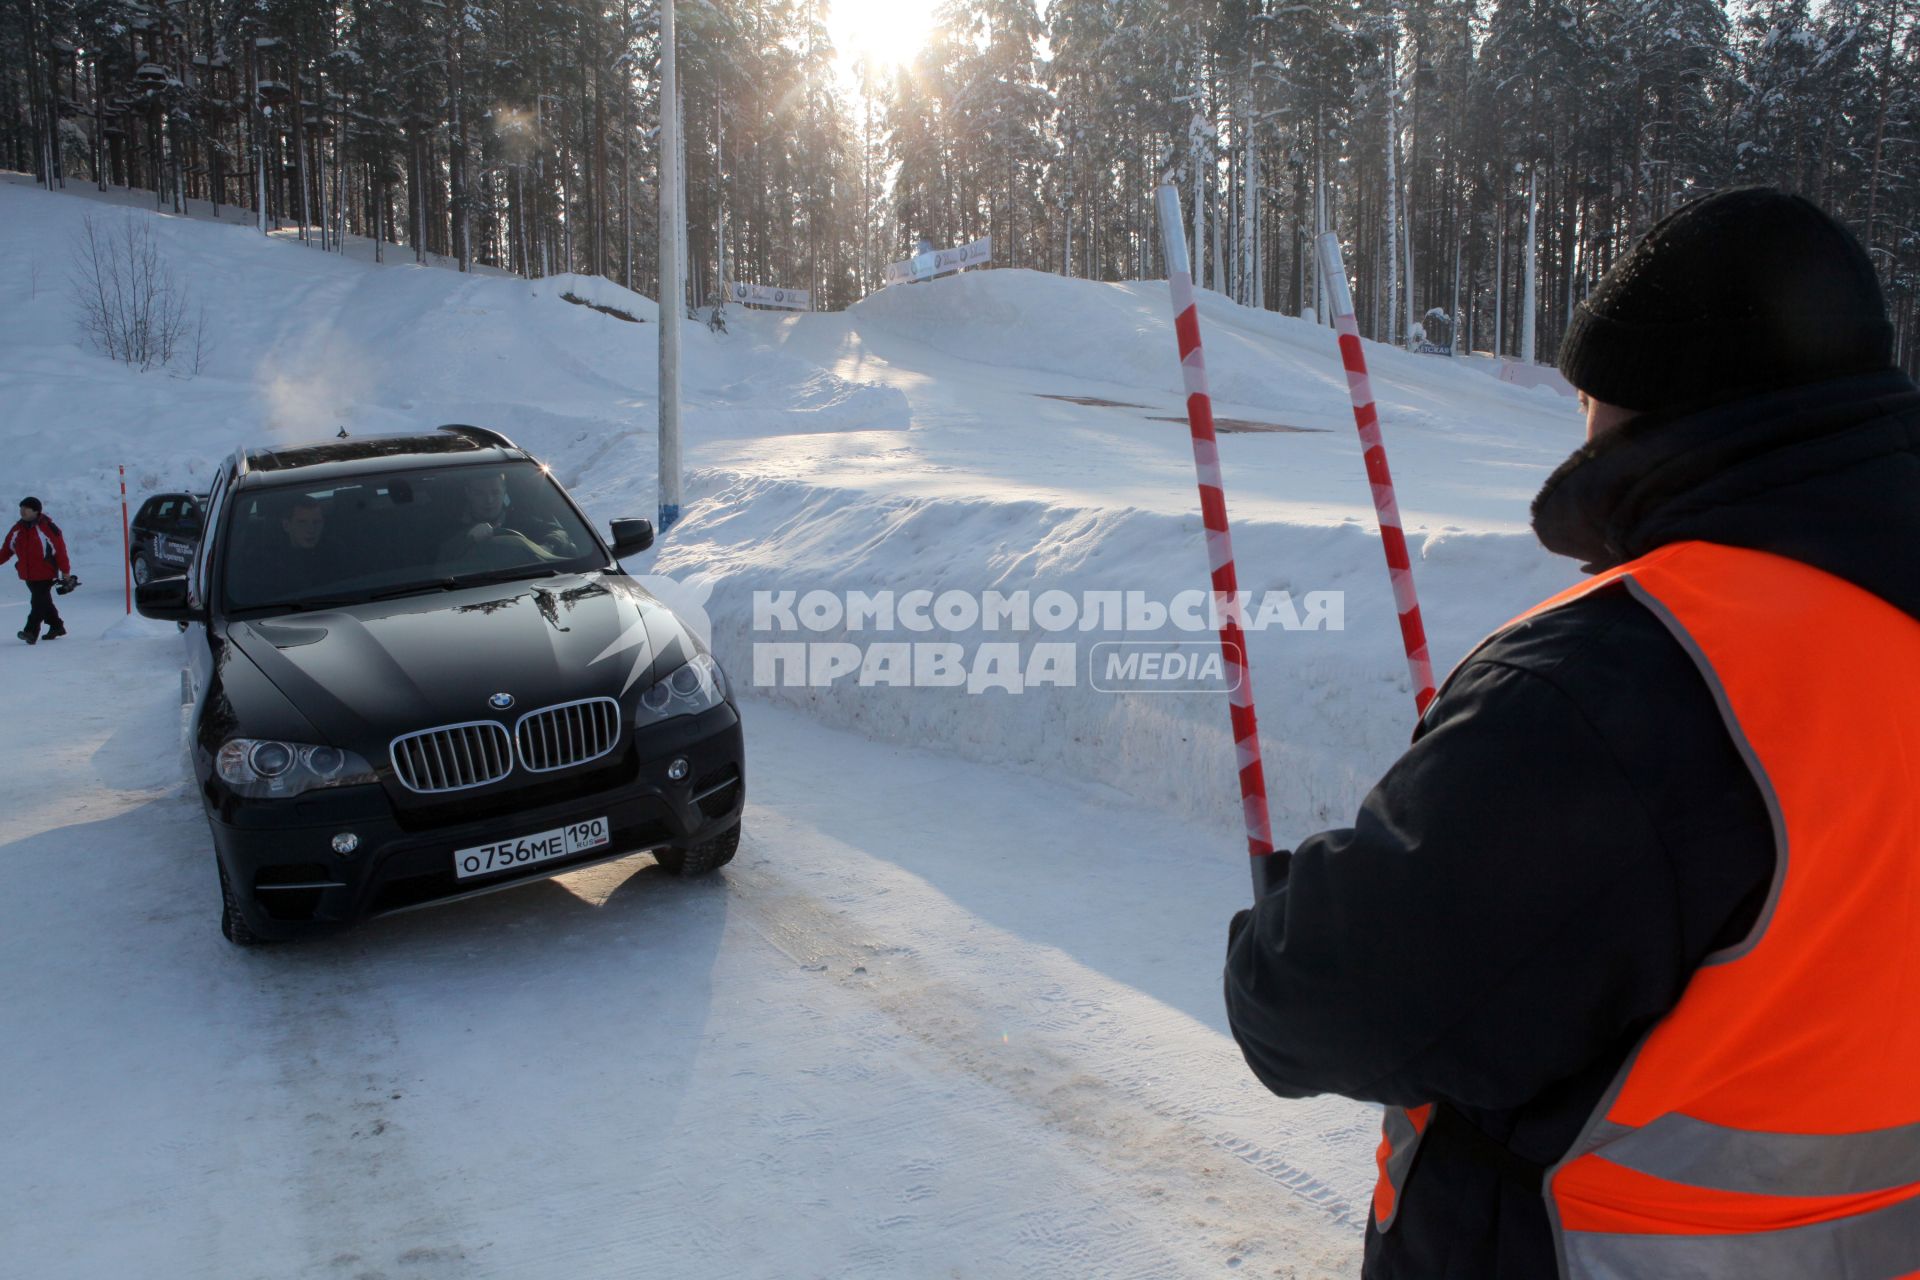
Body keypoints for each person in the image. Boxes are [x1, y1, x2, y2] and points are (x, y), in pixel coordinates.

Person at [1223, 187, 1920, 1278]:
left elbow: (1330, 995)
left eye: (1587, 393)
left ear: (1641, 402)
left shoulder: (1636, 677)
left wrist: (1285, 926)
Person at [436, 470, 575, 566]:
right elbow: (438, 561)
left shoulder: (519, 520)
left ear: (504, 491)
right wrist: (467, 538)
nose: (489, 500)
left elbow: (560, 532)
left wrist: (547, 547)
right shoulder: (449, 525)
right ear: (468, 493)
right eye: (480, 493)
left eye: (495, 492)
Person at [3, 497, 73, 644]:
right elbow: (6, 550)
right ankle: (56, 626)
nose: (22, 511)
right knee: (44, 601)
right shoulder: (17, 529)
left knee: (37, 602)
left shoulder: (47, 528)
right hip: (28, 573)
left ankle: (30, 632)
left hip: (45, 573)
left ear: (36, 511)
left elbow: (60, 550)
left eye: (26, 508)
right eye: (21, 508)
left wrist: (65, 572)